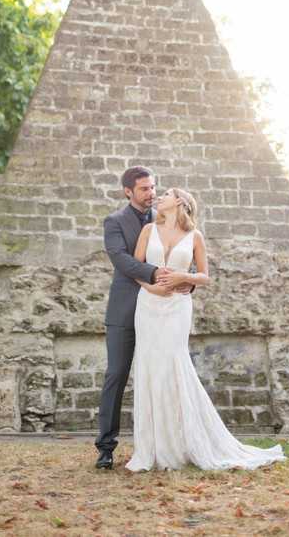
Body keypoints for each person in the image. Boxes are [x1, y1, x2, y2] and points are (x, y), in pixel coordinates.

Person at [125, 186, 285, 472]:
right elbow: (135, 267)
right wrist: (153, 288)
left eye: (165, 195)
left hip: (178, 307)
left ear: (180, 203)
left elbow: (204, 276)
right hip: (148, 305)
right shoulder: (149, 230)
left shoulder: (194, 236)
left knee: (174, 364)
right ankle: (153, 449)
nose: (158, 197)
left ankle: (184, 443)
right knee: (150, 365)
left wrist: (183, 277)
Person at [94, 167, 191, 470]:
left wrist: (183, 282)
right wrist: (153, 273)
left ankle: (168, 446)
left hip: (162, 312)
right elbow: (121, 259)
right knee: (117, 375)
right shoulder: (114, 222)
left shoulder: (164, 218)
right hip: (125, 309)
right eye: (144, 189)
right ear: (128, 192)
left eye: (153, 188)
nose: (151, 194)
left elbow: (183, 255)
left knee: (166, 375)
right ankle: (106, 448)